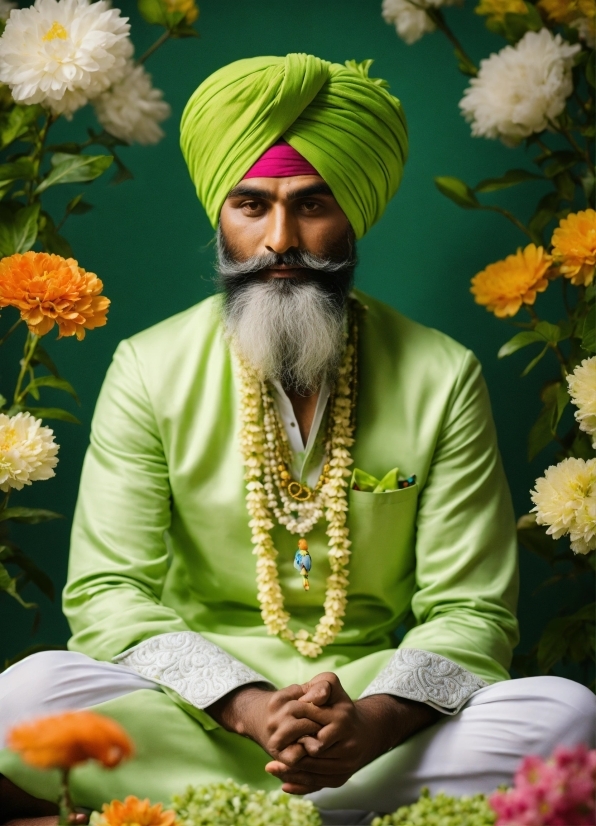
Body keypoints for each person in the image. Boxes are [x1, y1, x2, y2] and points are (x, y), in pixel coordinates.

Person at [0, 53, 594, 826]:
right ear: (222, 216)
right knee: (28, 693)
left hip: (375, 717)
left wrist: (371, 723)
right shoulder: (149, 367)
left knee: (566, 715)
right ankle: (332, 812)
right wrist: (248, 706)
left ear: (353, 214)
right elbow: (109, 596)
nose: (281, 239)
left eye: (312, 204)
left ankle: (206, 814)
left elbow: (471, 609)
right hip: (192, 713)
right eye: (251, 205)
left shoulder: (441, 374)